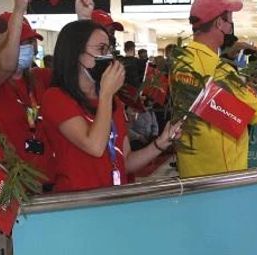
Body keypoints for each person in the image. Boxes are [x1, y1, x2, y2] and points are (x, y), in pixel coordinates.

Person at [41, 20, 181, 193]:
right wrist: (106, 95)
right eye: (101, 50)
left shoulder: (113, 101)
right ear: (76, 53)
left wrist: (160, 143)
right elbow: (95, 146)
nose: (108, 57)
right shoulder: (56, 98)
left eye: (109, 50)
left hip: (113, 201)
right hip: (78, 204)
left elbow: (125, 161)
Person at [171, 0, 257, 178]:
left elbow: (219, 100)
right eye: (229, 19)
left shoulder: (181, 62)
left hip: (191, 167)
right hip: (222, 173)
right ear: (219, 23)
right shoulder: (219, 71)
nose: (231, 25)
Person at [0, 0, 56, 187]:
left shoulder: (40, 78)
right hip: (8, 185)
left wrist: (83, 19)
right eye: (20, 42)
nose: (28, 48)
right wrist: (19, 10)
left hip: (47, 180)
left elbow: (75, 70)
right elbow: (5, 65)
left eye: (29, 42)